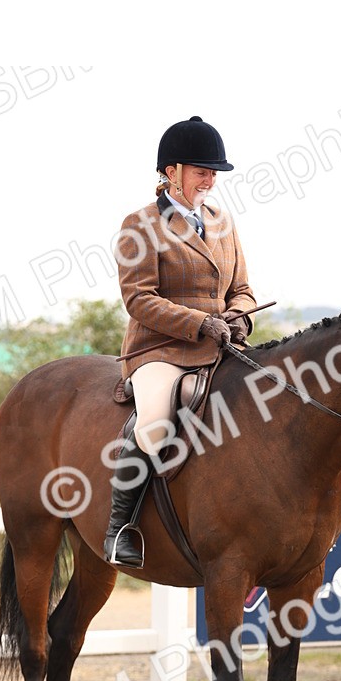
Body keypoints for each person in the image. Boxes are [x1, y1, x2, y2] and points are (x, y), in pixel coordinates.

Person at [104, 116, 257, 567]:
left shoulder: (223, 222)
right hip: (160, 349)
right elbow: (139, 299)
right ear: (171, 172)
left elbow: (243, 290)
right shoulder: (140, 225)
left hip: (221, 345)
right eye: (201, 170)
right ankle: (120, 528)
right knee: (154, 420)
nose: (210, 179)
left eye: (214, 172)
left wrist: (239, 318)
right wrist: (199, 323)